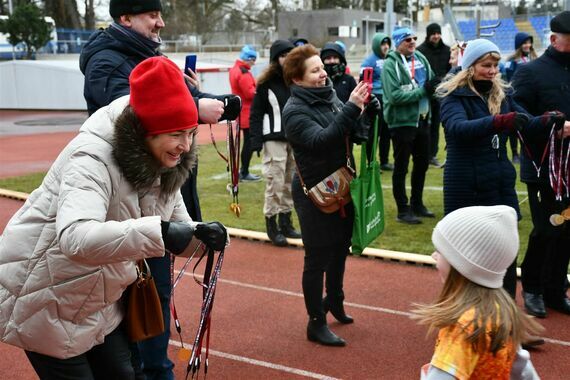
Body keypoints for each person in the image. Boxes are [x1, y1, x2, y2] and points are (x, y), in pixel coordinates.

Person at [0, 57, 228, 379]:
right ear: (147, 129)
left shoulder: (165, 161)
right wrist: (159, 232)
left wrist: (205, 237)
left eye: (191, 133)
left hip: (99, 300)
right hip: (43, 298)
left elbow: (179, 228)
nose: (186, 145)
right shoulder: (91, 157)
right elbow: (75, 238)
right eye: (177, 133)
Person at [78, 2, 237, 378]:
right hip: (127, 202)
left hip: (159, 191)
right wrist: (197, 108)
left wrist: (210, 101)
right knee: (127, 298)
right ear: (125, 18)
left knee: (156, 293)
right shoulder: (106, 62)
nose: (160, 22)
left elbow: (175, 104)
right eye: (152, 14)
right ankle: (148, 370)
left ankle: (154, 368)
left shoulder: (152, 58)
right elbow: (130, 112)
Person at [437, 38, 564, 297]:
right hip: (466, 185)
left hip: (499, 183)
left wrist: (548, 120)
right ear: (470, 65)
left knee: (505, 252)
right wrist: (498, 122)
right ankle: (467, 319)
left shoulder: (502, 94)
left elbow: (525, 122)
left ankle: (503, 321)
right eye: (486, 65)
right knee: (467, 256)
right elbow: (458, 129)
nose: (493, 71)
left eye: (495, 65)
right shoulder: (453, 96)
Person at [282, 44, 376, 347]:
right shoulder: (294, 111)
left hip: (341, 184)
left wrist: (365, 109)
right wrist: (350, 107)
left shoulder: (330, 94)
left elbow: (351, 133)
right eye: (315, 70)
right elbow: (321, 141)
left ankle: (334, 299)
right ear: (297, 80)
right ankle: (315, 322)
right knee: (317, 257)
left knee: (340, 247)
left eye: (321, 67)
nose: (323, 73)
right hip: (315, 192)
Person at [412, 206, 542, 380]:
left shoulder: (462, 328)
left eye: (441, 252)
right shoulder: (502, 312)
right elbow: (524, 372)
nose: (434, 256)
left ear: (461, 267)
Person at [512, 11, 570, 318]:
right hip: (542, 167)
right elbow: (518, 113)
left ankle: (555, 289)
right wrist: (552, 124)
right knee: (547, 229)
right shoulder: (530, 72)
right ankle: (532, 287)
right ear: (554, 39)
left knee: (568, 229)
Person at [381, 27, 439, 224]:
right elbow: (394, 97)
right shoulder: (390, 65)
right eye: (407, 40)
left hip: (422, 119)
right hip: (401, 122)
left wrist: (434, 87)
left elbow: (431, 82)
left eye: (414, 38)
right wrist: (424, 91)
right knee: (401, 167)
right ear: (398, 43)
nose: (413, 42)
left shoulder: (420, 58)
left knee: (422, 164)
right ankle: (402, 210)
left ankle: (417, 204)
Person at [249, 39, 301, 247]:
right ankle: (272, 225)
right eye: (282, 55)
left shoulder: (297, 80)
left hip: (294, 139)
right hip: (273, 139)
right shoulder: (265, 83)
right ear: (275, 59)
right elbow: (256, 113)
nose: (286, 58)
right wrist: (255, 140)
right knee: (275, 181)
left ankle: (286, 222)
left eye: (290, 54)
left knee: (291, 182)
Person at [417, 23, 451, 168]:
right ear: (428, 34)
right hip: (425, 93)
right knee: (423, 125)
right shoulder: (420, 51)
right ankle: (421, 154)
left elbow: (450, 71)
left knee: (436, 125)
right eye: (433, 33)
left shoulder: (447, 50)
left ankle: (432, 154)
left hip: (441, 94)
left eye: (438, 33)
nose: (436, 36)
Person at [360, 32, 394, 171]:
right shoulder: (369, 62)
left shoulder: (390, 59)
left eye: (387, 44)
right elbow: (363, 82)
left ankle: (384, 161)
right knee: (374, 133)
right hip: (375, 99)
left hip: (388, 99)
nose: (385, 47)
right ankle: (371, 162)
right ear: (376, 45)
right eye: (382, 44)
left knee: (386, 132)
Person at [504, 32, 538, 164]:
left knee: (529, 124)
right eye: (524, 43)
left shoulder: (535, 59)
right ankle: (514, 153)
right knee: (514, 125)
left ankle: (528, 151)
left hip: (532, 98)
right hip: (516, 98)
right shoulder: (511, 62)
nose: (527, 45)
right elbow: (508, 80)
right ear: (519, 45)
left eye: (529, 42)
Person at [230, 44, 261, 182]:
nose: (254, 63)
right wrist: (260, 92)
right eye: (253, 60)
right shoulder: (243, 72)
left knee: (247, 143)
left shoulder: (235, 69)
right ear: (248, 59)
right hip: (247, 113)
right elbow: (250, 93)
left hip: (241, 111)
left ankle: (243, 171)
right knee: (249, 143)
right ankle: (244, 171)